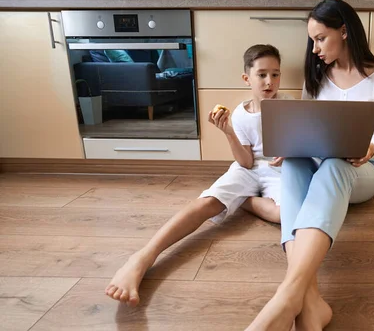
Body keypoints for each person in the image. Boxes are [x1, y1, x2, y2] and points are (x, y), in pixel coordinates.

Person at [246, 0, 374, 331]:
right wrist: (292, 143)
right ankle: (310, 303)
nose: (314, 48)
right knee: (296, 162)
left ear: (344, 32)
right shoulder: (317, 75)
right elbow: (307, 123)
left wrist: (370, 148)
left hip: (361, 171)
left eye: (320, 38)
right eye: (312, 40)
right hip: (317, 161)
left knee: (335, 164)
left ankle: (287, 296)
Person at [105, 44, 289, 307]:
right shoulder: (239, 114)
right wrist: (228, 132)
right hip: (247, 169)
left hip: (278, 169)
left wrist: (290, 152)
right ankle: (143, 257)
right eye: (261, 75)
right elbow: (246, 161)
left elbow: (299, 143)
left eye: (275, 74)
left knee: (284, 214)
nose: (269, 81)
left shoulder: (290, 105)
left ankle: (241, 200)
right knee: (205, 203)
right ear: (247, 78)